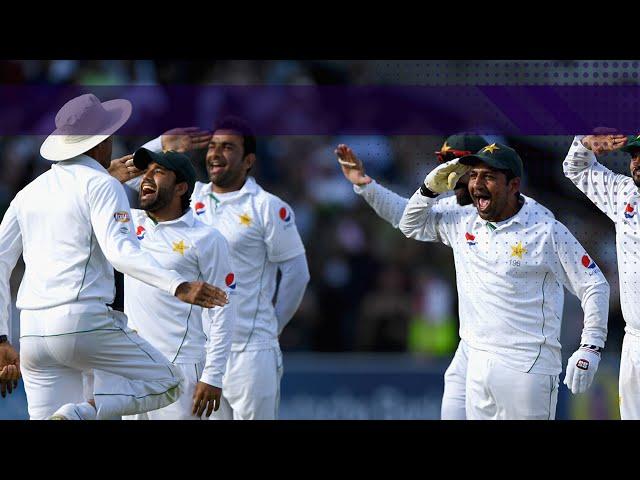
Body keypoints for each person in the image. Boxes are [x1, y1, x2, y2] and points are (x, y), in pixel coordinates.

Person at [0, 93, 228, 420]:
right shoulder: (103, 186)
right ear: (102, 141)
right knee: (170, 382)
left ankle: (77, 413)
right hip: (83, 323)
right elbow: (119, 251)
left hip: (33, 332)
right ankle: (83, 412)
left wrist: (0, 337)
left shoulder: (28, 193)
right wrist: (178, 285)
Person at [399, 143, 610, 419]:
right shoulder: (463, 220)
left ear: (513, 185)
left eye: (488, 177)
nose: (477, 184)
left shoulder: (546, 231)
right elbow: (409, 225)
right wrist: (428, 190)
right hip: (478, 364)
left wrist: (590, 347)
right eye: (474, 175)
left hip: (528, 370)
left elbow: (594, 284)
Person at [131, 117, 310, 419]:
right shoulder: (191, 196)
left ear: (248, 160)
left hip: (248, 352)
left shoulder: (267, 206)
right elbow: (138, 180)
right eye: (212, 146)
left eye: (227, 147)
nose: (215, 154)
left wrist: (271, 327)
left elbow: (297, 274)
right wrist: (160, 144)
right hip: (202, 352)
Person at [335, 134, 488, 419]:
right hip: (470, 352)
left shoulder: (527, 217)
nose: (448, 175)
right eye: (443, 165)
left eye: (453, 165)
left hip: (517, 355)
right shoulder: (456, 213)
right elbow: (405, 218)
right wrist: (363, 184)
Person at [119, 148, 235, 419]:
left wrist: (213, 376)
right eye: (144, 172)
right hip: (132, 366)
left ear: (181, 187)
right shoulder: (126, 222)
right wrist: (120, 172)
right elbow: (87, 193)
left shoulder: (207, 238)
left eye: (158, 172)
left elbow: (223, 309)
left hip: (180, 367)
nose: (146, 178)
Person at [562, 131, 640, 419]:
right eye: (633, 156)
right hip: (635, 341)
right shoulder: (625, 194)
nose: (636, 163)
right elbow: (576, 167)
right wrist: (584, 143)